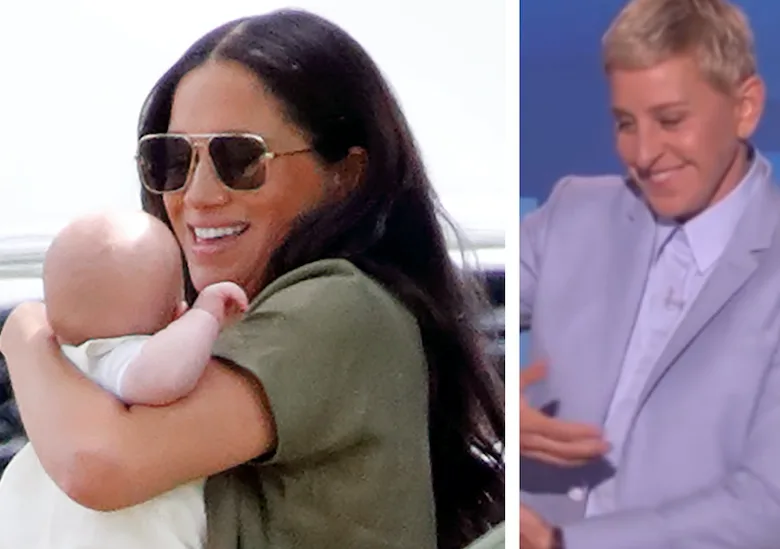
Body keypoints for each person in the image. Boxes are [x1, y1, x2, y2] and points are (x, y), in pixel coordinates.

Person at [0, 9, 505, 549]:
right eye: (172, 159)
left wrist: (26, 335)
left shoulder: (341, 306)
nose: (198, 195)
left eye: (238, 157)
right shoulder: (219, 326)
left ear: (346, 175)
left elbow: (99, 465)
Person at [519, 0, 780, 547]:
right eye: (624, 123)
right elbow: (438, 307)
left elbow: (767, 505)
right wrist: (494, 403)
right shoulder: (573, 212)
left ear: (745, 107)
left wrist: (561, 544)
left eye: (670, 121)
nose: (642, 153)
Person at [0, 211, 247, 548]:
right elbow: (163, 377)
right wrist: (206, 315)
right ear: (177, 315)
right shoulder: (116, 358)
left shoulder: (57, 366)